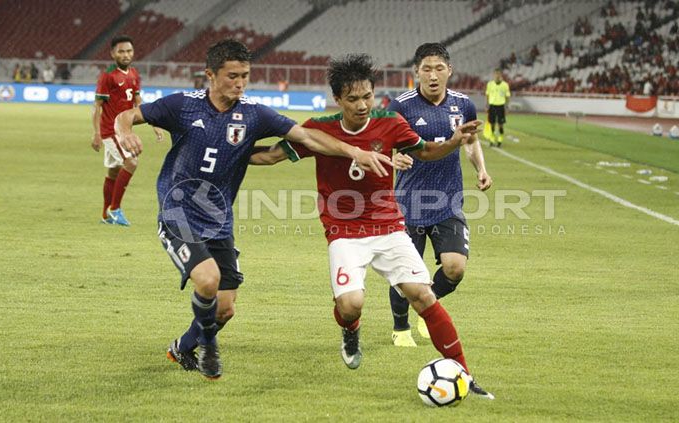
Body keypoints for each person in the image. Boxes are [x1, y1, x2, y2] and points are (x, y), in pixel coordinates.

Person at [113, 39, 392, 380]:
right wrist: (124, 132)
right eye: (232, 76)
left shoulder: (254, 114)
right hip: (178, 213)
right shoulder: (182, 106)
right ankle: (209, 352)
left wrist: (355, 152)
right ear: (210, 75)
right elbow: (128, 115)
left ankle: (183, 347)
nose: (240, 83)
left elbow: (307, 137)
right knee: (208, 278)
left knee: (226, 308)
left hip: (219, 220)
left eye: (245, 75)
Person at [250, 53, 494, 399]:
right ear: (338, 99)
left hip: (388, 226)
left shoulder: (390, 123)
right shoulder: (320, 129)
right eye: (352, 99)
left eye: (367, 96)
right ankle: (351, 330)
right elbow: (271, 155)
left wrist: (454, 141)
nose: (362, 105)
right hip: (344, 231)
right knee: (351, 304)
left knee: (423, 295)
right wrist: (232, 152)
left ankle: (466, 376)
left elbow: (424, 151)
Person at [386, 42, 492, 348]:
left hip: (449, 202)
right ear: (416, 72)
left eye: (439, 69)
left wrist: (480, 169)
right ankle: (401, 327)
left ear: (449, 71)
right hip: (409, 204)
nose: (433, 75)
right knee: (406, 272)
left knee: (455, 268)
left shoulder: (463, 105)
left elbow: (470, 141)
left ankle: (427, 304)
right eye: (426, 69)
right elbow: (381, 142)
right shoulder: (401, 106)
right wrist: (393, 157)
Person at [92, 35, 161, 226]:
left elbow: (138, 103)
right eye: (121, 51)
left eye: (129, 51)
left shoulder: (133, 74)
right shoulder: (108, 76)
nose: (125, 54)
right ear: (113, 53)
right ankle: (115, 209)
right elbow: (97, 106)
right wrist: (96, 133)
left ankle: (106, 216)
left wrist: (154, 124)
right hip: (112, 131)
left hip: (123, 129)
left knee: (113, 172)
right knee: (131, 162)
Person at [485, 68, 510, 147]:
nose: (497, 76)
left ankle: (500, 139)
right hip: (492, 105)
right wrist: (487, 105)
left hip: (501, 106)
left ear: (501, 75)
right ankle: (492, 139)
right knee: (492, 124)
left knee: (500, 124)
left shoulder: (505, 85)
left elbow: (507, 96)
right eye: (496, 74)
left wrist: (506, 106)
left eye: (498, 74)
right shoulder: (490, 84)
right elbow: (487, 95)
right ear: (494, 75)